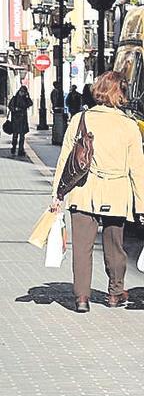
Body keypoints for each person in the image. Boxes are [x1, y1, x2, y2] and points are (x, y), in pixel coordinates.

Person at [50, 71, 144, 313]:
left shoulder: (80, 119)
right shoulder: (129, 126)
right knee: (115, 245)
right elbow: (138, 170)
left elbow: (65, 160)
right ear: (121, 93)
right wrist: (142, 205)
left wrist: (57, 194)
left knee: (82, 248)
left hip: (83, 190)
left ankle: (82, 297)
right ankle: (115, 293)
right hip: (117, 193)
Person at [8, 85, 33, 157]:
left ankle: (20, 150)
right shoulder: (15, 98)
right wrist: (15, 109)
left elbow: (30, 103)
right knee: (15, 135)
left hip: (23, 120)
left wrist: (28, 97)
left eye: (24, 92)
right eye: (21, 91)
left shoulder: (25, 99)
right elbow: (10, 106)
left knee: (22, 136)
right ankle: (14, 147)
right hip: (16, 119)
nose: (22, 93)